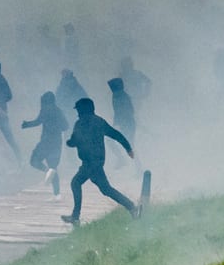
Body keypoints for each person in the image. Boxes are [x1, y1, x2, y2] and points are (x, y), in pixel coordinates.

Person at [60, 97, 139, 225]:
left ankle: (75, 216)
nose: (77, 112)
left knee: (76, 183)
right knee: (105, 189)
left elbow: (74, 141)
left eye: (78, 110)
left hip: (90, 163)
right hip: (96, 161)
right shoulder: (99, 122)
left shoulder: (79, 123)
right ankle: (131, 207)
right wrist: (128, 148)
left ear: (82, 110)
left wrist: (69, 143)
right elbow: (116, 134)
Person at [22, 91, 67, 197]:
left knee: (34, 160)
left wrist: (26, 124)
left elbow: (38, 121)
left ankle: (47, 171)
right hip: (57, 143)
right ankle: (57, 195)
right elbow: (66, 126)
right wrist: (57, 127)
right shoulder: (58, 111)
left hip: (46, 142)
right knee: (53, 168)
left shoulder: (45, 109)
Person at [108, 77, 137, 147]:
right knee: (129, 143)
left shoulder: (117, 96)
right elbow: (131, 110)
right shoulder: (123, 95)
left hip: (125, 123)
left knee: (126, 143)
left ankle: (128, 157)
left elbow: (118, 112)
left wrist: (116, 123)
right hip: (128, 122)